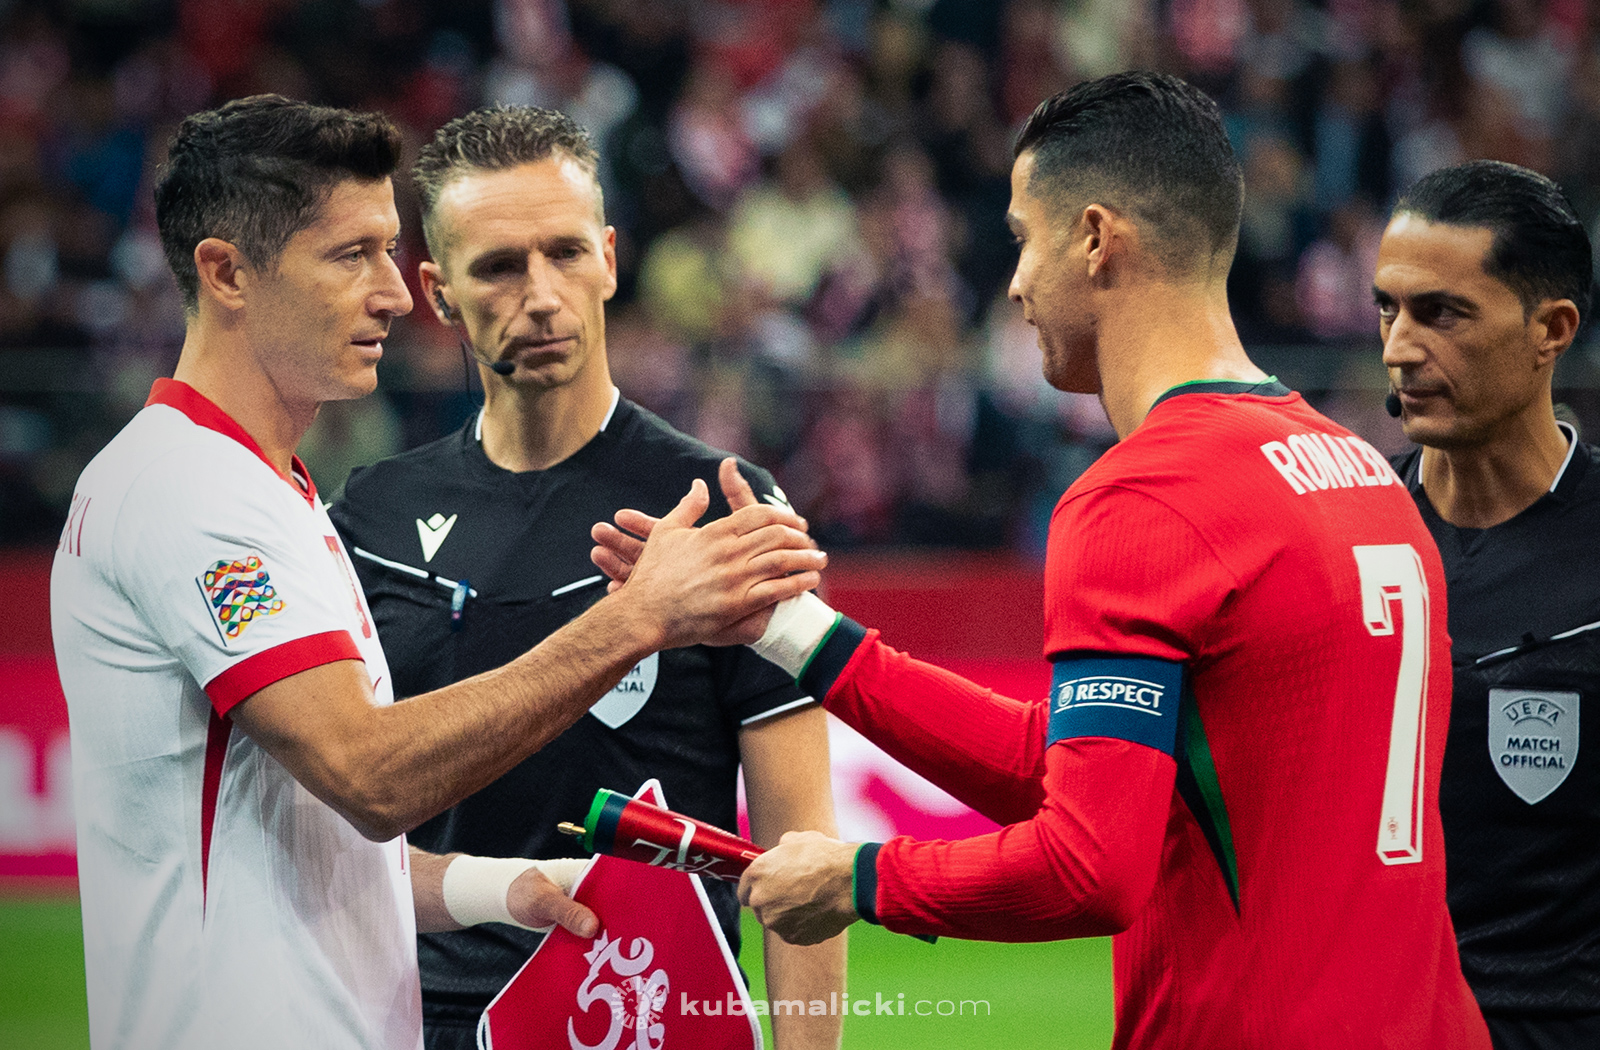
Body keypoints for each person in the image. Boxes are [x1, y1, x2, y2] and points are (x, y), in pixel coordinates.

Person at [595, 71, 1491, 1047]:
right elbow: (1087, 768)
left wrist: (855, 881)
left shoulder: (1144, 495)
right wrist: (792, 630)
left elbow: (1088, 866)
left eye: (1023, 240)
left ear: (1096, 239)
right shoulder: (1358, 469)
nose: (1014, 285)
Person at [48, 95, 823, 1050]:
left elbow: (321, 841)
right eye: (352, 256)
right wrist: (637, 617)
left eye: (567, 251)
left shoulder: (287, 504)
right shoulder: (219, 499)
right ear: (226, 273)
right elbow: (369, 777)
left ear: (610, 257)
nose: (389, 295)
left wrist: (506, 885)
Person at [327, 105, 845, 1050]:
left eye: (565, 253)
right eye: (498, 266)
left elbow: (798, 852)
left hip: (649, 1015)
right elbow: (333, 824)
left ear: (609, 257)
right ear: (438, 292)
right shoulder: (370, 517)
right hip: (413, 1023)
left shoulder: (722, 505)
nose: (541, 294)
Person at [1376, 160, 1600, 1050]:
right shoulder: (1340, 535)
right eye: (1387, 309)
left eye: (1442, 313)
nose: (1398, 346)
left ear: (1551, 329)